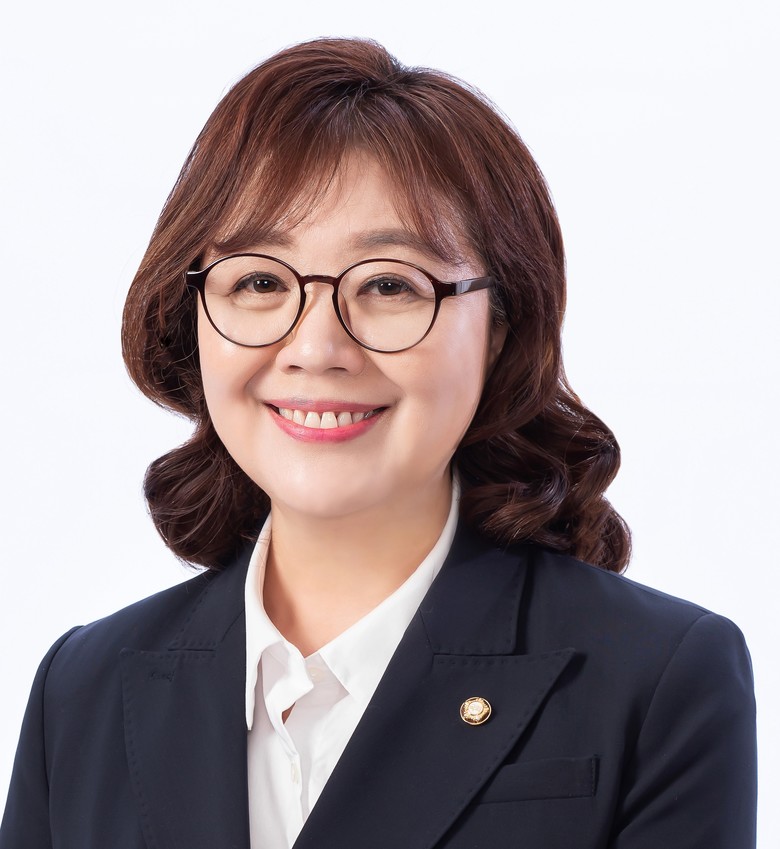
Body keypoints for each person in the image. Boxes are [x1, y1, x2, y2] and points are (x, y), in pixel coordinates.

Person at [0, 37, 756, 849]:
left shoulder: (659, 680)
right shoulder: (82, 692)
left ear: (500, 327)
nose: (316, 347)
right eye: (260, 281)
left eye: (390, 284)